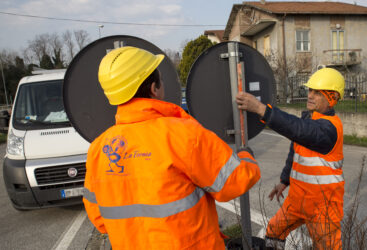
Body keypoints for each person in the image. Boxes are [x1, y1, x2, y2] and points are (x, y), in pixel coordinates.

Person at [82, 46, 261, 249]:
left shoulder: (98, 149)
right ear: (153, 88)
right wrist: (246, 155)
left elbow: (99, 219)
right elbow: (235, 181)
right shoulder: (182, 135)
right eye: (161, 79)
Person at [236, 68, 345, 250]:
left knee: (327, 247)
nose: (310, 95)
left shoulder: (330, 128)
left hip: (322, 206)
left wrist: (261, 109)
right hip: (297, 200)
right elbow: (295, 151)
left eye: (317, 92)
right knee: (273, 231)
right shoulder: (310, 120)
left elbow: (298, 129)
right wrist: (284, 181)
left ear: (332, 97)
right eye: (310, 90)